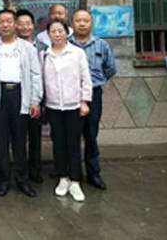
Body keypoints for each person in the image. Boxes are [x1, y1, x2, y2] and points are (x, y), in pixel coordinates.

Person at [0, 9, 42, 198]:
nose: (5, 25)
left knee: (20, 141)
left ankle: (22, 180)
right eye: (2, 21)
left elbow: (35, 75)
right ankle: (4, 180)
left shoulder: (27, 48)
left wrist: (35, 100)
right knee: (1, 141)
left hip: (20, 94)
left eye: (9, 21)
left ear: (15, 24)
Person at [42, 20, 92, 202]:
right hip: (53, 106)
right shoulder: (44, 55)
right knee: (58, 143)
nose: (57, 34)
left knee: (73, 143)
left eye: (60, 31)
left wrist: (84, 101)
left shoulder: (77, 53)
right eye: (53, 31)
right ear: (48, 35)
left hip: (74, 106)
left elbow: (86, 78)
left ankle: (75, 181)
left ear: (67, 32)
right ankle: (63, 178)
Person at [68, 8, 117, 191]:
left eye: (86, 21)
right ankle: (73, 173)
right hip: (71, 95)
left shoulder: (101, 45)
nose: (82, 24)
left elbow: (110, 68)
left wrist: (96, 82)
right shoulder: (66, 44)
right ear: (72, 24)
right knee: (72, 135)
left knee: (91, 134)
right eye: (78, 21)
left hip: (94, 95)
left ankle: (93, 174)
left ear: (91, 23)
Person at [15, 9, 47, 184]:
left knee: (35, 136)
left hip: (37, 97)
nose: (24, 27)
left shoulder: (43, 47)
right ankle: (20, 171)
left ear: (33, 26)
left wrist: (39, 98)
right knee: (19, 137)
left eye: (27, 23)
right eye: (20, 24)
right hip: (18, 97)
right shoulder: (12, 46)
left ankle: (35, 170)